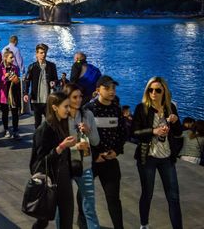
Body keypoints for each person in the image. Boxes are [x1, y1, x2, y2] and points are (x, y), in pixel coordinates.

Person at [132, 76, 183, 229]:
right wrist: (153, 131)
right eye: (150, 89)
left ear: (164, 92)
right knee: (147, 194)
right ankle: (144, 224)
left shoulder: (170, 108)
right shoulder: (141, 108)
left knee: (174, 197)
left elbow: (179, 132)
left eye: (157, 90)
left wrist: (175, 121)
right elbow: (134, 132)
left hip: (167, 157)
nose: (153, 93)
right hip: (147, 157)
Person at [29, 92, 76, 229]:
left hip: (64, 176)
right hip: (49, 181)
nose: (69, 109)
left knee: (67, 217)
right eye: (66, 106)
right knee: (43, 220)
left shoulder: (63, 125)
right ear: (55, 107)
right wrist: (61, 147)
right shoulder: (43, 130)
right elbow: (40, 162)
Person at [85, 75, 125, 229]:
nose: (111, 91)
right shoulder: (89, 109)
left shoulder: (116, 109)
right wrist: (95, 155)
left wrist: (116, 151)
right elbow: (83, 136)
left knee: (114, 199)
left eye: (113, 88)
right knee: (84, 197)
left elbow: (122, 133)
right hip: (92, 161)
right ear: (98, 90)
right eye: (107, 88)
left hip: (110, 159)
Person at [64, 83, 100, 229]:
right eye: (74, 97)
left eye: (80, 96)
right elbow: (56, 145)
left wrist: (89, 130)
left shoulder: (87, 115)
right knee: (64, 209)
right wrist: (75, 147)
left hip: (85, 166)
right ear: (66, 98)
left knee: (89, 207)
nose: (79, 100)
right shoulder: (61, 117)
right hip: (65, 167)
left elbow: (96, 141)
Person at [24, 43, 58, 129]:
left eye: (45, 52)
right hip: (36, 99)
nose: (44, 54)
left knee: (50, 121)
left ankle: (49, 140)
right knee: (37, 122)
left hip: (48, 99)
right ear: (37, 54)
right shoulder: (32, 67)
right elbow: (27, 81)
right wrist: (25, 93)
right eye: (41, 52)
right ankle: (38, 139)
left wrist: (54, 82)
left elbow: (56, 79)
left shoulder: (52, 66)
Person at [0, 50, 21, 139]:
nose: (13, 59)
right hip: (4, 94)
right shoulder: (0, 68)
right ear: (5, 58)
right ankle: (6, 129)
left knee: (15, 113)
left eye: (13, 57)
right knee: (5, 113)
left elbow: (18, 80)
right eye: (11, 57)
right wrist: (5, 77)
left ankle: (15, 130)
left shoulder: (15, 68)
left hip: (13, 94)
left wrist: (17, 80)